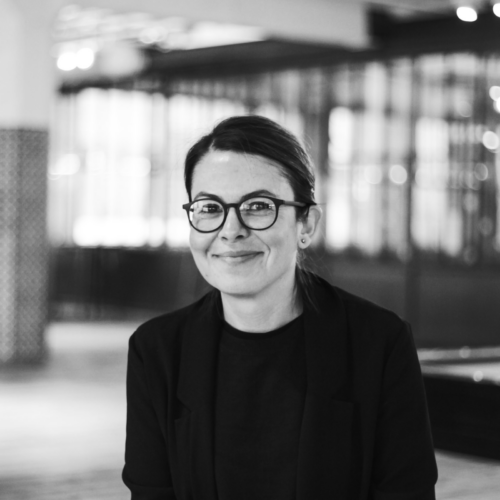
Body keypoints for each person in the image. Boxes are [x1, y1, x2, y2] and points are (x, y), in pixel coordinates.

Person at [122, 115, 438, 500]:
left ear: (306, 225)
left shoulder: (379, 343)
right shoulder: (156, 351)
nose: (230, 229)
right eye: (208, 208)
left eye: (258, 205)